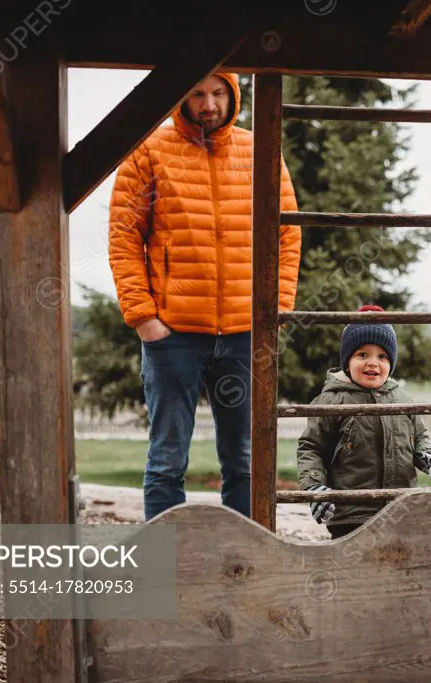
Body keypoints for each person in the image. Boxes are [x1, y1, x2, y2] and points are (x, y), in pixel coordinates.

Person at [108, 69, 302, 521]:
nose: (208, 104)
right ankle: (165, 563)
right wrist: (143, 318)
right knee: (167, 462)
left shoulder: (259, 150)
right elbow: (123, 237)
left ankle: (243, 562)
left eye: (218, 93)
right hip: (172, 335)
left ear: (233, 94)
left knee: (244, 461)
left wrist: (278, 310)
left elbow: (287, 234)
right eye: (197, 93)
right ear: (182, 96)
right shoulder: (149, 151)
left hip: (243, 334)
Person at [296, 305, 431, 539]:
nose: (373, 363)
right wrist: (315, 488)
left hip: (400, 510)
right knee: (355, 569)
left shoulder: (403, 400)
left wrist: (427, 455)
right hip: (352, 514)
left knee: (400, 564)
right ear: (347, 360)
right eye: (362, 354)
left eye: (382, 356)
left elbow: (419, 436)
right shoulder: (332, 401)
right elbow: (311, 447)